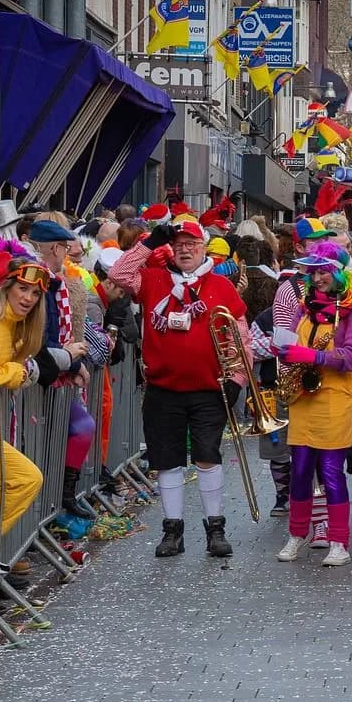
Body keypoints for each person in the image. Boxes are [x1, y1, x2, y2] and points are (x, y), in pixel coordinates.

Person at [111, 220, 252, 559]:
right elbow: (118, 274)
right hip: (163, 389)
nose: (186, 249)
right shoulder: (154, 278)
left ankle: (214, 528)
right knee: (168, 461)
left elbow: (240, 338)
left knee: (207, 457)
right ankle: (172, 530)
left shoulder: (221, 285)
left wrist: (236, 381)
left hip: (209, 390)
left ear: (204, 248)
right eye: (179, 243)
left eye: (192, 243)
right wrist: (148, 244)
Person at [274, 243, 352, 568]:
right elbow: (288, 338)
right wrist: (282, 347)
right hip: (304, 396)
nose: (317, 278)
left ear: (339, 272)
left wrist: (314, 356)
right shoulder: (304, 305)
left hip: (336, 399)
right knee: (300, 471)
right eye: (313, 271)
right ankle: (297, 534)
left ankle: (339, 542)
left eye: (324, 270)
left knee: (331, 472)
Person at [29, 218, 109, 519]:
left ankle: (63, 497)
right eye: (65, 247)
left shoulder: (58, 282)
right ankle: (46, 508)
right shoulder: (40, 283)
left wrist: (72, 363)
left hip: (57, 370)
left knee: (81, 427)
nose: (69, 253)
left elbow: (65, 331)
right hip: (38, 374)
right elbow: (44, 336)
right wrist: (70, 359)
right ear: (54, 247)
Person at [0, 257, 49, 534]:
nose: (28, 298)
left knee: (24, 480)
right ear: (8, 285)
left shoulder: (16, 325)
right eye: (23, 288)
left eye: (35, 293)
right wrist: (16, 372)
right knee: (25, 479)